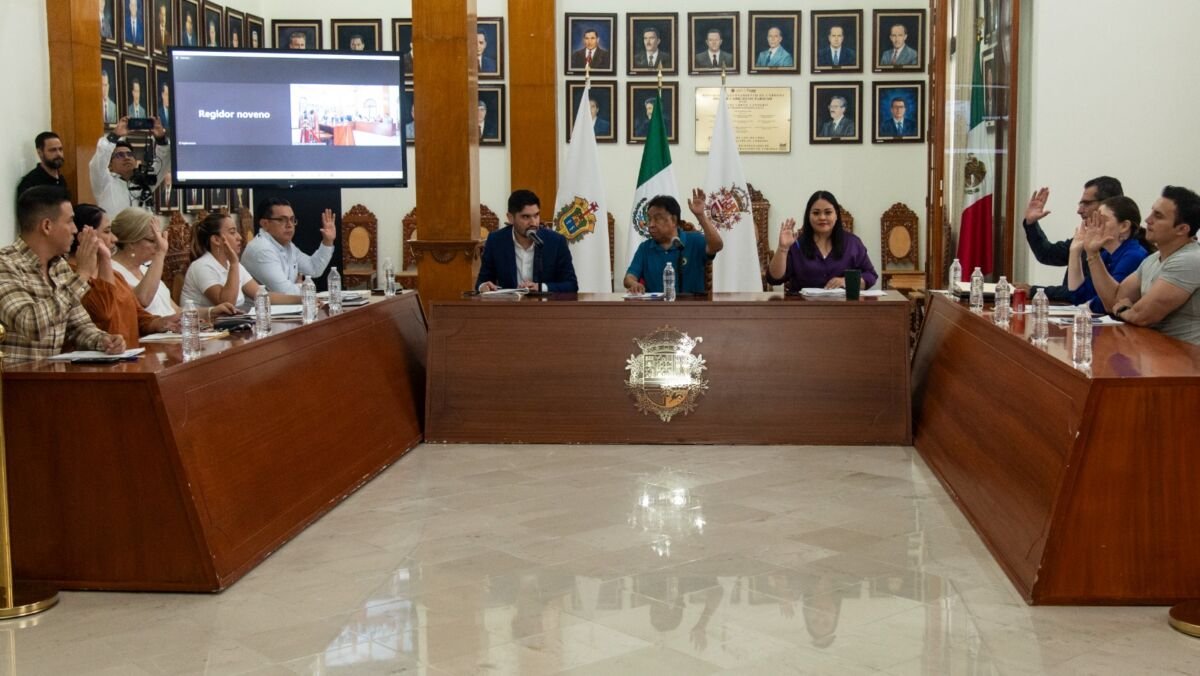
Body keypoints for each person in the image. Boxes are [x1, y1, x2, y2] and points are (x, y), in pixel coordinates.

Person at [0, 186, 124, 362]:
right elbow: (30, 323)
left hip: (52, 375)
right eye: (70, 221)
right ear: (47, 226)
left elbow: (79, 326)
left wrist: (103, 340)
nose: (75, 229)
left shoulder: (60, 266)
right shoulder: (6, 264)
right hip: (14, 376)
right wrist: (82, 275)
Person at [1081, 185, 1200, 345]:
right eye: (1152, 212)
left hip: (1186, 355)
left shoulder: (1189, 260)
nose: (1148, 220)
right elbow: (1113, 301)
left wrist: (1123, 309)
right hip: (1154, 349)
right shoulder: (1153, 259)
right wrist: (1092, 253)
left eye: (1158, 216)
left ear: (1182, 229)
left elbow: (1142, 316)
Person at [73, 204, 180, 345]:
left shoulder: (116, 276)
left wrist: (161, 322)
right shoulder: (73, 276)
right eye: (107, 232)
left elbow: (138, 314)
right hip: (106, 354)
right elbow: (104, 313)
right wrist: (105, 258)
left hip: (132, 352)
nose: (114, 239)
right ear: (84, 236)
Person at [1022, 177, 1124, 301]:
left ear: (1109, 204)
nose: (1079, 211)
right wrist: (1031, 224)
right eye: (1080, 204)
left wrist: (1035, 291)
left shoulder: (1126, 248)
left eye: (1087, 203)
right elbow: (1047, 254)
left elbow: (1088, 292)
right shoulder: (1085, 238)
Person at [183, 212, 300, 309]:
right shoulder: (202, 266)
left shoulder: (232, 264)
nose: (239, 237)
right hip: (201, 328)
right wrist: (234, 264)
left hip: (231, 325)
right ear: (216, 240)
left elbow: (262, 295)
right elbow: (227, 304)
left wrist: (302, 299)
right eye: (232, 232)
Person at [766, 190, 878, 291]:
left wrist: (847, 281)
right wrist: (783, 248)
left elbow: (871, 276)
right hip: (804, 306)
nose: (822, 217)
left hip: (842, 306)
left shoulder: (852, 243)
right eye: (816, 213)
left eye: (828, 212)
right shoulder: (797, 244)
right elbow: (774, 279)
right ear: (808, 216)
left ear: (836, 215)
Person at [476, 190, 578, 293]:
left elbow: (571, 285)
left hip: (544, 302)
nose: (533, 223)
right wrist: (483, 286)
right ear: (510, 218)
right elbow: (482, 282)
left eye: (536, 215)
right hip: (510, 302)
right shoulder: (496, 241)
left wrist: (540, 288)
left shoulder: (556, 242)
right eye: (526, 217)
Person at [624, 190, 725, 294]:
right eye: (649, 219)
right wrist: (634, 284)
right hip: (655, 304)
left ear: (673, 220)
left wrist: (701, 216)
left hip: (692, 304)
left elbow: (717, 246)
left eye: (657, 219)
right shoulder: (645, 248)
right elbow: (629, 278)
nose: (651, 225)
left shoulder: (695, 240)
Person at [1065, 196, 1149, 313]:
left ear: (1124, 226)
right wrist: (1075, 251)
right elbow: (1079, 296)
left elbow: (1108, 303)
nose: (1095, 224)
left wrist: (1087, 305)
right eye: (1095, 219)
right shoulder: (1106, 255)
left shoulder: (1134, 255)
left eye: (1102, 220)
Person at [241, 198, 336, 295]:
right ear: (265, 224)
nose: (290, 225)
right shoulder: (261, 250)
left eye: (292, 219)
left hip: (287, 303)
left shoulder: (287, 245)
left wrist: (328, 241)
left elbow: (314, 269)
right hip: (263, 305)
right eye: (282, 220)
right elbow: (285, 292)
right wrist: (301, 286)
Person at [88, 116, 171, 216]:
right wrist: (115, 135)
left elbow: (163, 162)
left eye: (129, 154)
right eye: (120, 155)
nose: (126, 157)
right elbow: (98, 163)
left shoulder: (144, 182)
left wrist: (161, 139)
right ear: (110, 165)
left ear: (136, 161)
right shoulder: (104, 183)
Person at [109, 207, 183, 316]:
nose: (159, 244)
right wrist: (160, 253)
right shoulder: (111, 271)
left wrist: (208, 312)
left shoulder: (145, 269)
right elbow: (142, 300)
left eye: (160, 239)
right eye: (153, 240)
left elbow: (176, 310)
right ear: (132, 242)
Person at [17, 132, 69, 199]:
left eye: (60, 149)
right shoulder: (30, 184)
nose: (59, 154)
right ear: (40, 152)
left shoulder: (61, 179)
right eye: (53, 150)